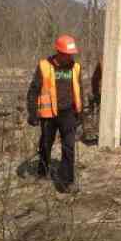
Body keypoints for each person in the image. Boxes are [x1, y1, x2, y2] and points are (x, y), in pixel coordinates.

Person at [27, 34, 84, 193]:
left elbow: (80, 90)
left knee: (69, 147)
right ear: (58, 51)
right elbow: (33, 90)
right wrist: (33, 113)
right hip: (48, 115)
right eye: (67, 54)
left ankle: (67, 182)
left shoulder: (76, 67)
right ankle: (42, 172)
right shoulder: (44, 66)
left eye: (71, 54)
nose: (70, 57)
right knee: (45, 145)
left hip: (68, 113)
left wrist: (80, 114)